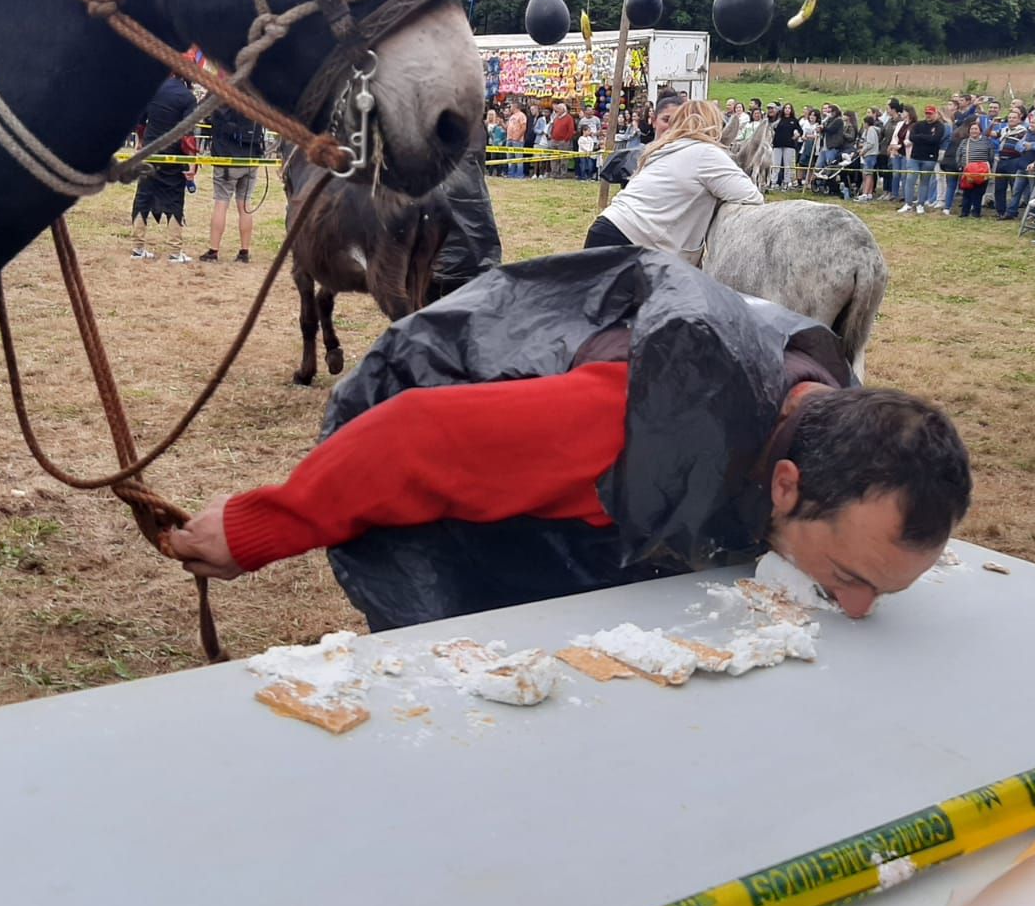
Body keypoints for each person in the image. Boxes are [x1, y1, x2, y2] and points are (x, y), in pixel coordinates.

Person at [167, 250, 975, 625]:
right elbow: (415, 440)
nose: (858, 608)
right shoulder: (623, 425)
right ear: (788, 484)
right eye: (849, 576)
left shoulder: (838, 415)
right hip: (432, 410)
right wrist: (253, 530)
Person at [582, 98, 762, 263]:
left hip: (608, 228)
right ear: (713, 125)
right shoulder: (705, 153)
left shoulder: (664, 148)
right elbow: (751, 196)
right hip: (632, 242)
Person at [129, 77, 199, 262]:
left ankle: (137, 248)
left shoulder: (153, 89)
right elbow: (188, 132)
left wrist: (141, 142)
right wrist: (192, 162)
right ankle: (175, 252)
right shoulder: (187, 97)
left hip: (151, 150)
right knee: (175, 200)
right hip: (174, 155)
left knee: (143, 197)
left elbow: (140, 122)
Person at [200, 104, 266, 263]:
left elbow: (205, 111)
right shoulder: (254, 97)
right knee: (245, 206)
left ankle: (213, 251)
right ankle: (244, 252)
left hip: (226, 159)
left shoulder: (224, 97)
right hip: (250, 158)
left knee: (221, 204)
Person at [899, 105, 942, 214]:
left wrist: (921, 137)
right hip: (915, 157)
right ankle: (908, 203)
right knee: (910, 180)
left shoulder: (939, 126)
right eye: (927, 113)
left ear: (936, 114)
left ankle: (920, 204)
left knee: (924, 182)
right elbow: (912, 137)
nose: (928, 116)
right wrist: (926, 137)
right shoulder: (919, 124)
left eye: (931, 113)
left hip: (929, 158)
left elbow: (935, 139)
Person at [955, 122, 995, 218]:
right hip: (968, 172)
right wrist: (960, 166)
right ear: (969, 131)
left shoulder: (986, 141)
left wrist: (988, 167)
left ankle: (976, 213)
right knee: (967, 193)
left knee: (978, 193)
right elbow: (958, 154)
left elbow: (991, 155)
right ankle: (965, 212)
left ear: (980, 131)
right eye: (972, 129)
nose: (974, 131)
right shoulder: (964, 142)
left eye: (976, 129)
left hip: (981, 172)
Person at [771, 105, 801, 190]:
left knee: (787, 164)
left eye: (789, 108)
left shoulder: (794, 120)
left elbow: (800, 130)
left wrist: (797, 135)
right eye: (786, 108)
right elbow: (772, 127)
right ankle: (774, 182)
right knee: (776, 164)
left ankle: (786, 182)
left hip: (789, 145)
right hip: (777, 144)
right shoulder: (779, 120)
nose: (787, 110)